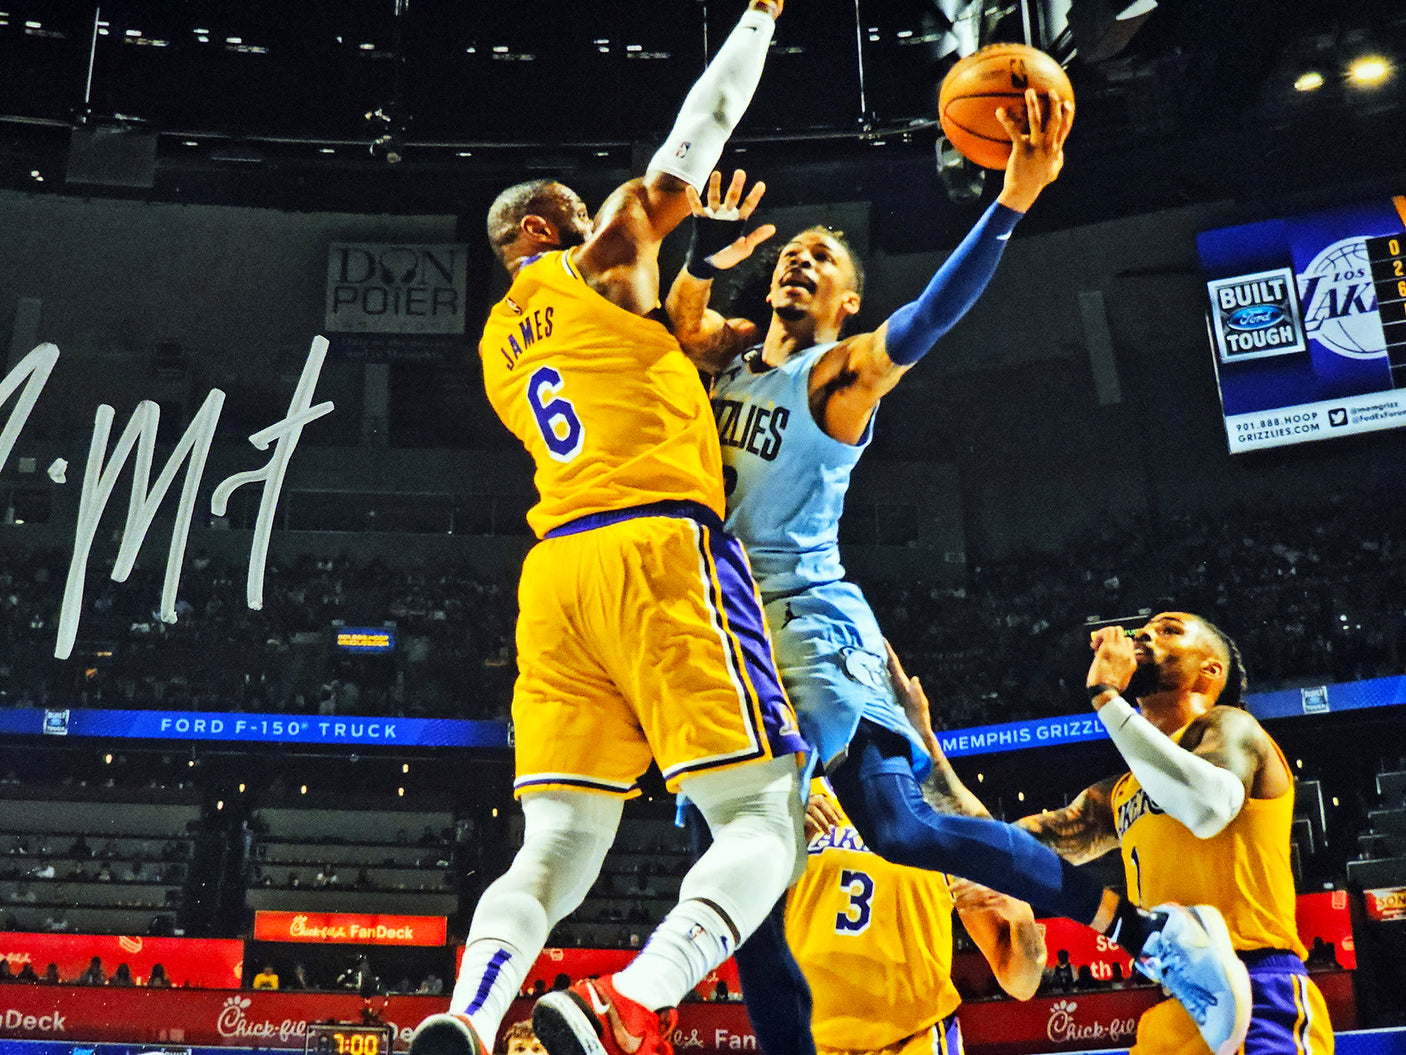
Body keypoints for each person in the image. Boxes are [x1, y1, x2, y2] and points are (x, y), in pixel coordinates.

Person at [666, 97, 1251, 1055]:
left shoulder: (836, 379)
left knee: (898, 830)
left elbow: (929, 318)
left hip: (810, 631)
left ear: (846, 303)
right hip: (719, 650)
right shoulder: (722, 361)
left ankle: (1151, 935)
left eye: (823, 261)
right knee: (743, 910)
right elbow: (671, 324)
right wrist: (702, 253)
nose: (799, 264)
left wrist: (1012, 201)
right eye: (790, 255)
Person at [407, 6, 802, 1055]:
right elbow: (694, 132)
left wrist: (699, 298)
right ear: (540, 231)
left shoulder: (496, 344)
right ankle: (630, 996)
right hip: (657, 552)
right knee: (765, 816)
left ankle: (469, 1013)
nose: (599, 221)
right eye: (576, 215)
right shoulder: (599, 255)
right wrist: (755, 21)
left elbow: (649, 355)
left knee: (558, 845)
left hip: (556, 576)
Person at [1018, 612, 1334, 1055]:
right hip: (1173, 1006)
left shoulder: (1232, 728)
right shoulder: (1119, 793)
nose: (1145, 633)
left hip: (1257, 991)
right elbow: (1008, 843)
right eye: (1145, 628)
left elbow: (1205, 810)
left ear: (1210, 671)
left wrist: (1107, 697)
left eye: (1169, 630)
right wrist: (925, 755)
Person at [788, 766, 1046, 1055]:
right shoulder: (800, 800)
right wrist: (779, 829)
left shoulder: (941, 812)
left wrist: (1023, 918)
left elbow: (1022, 984)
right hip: (812, 1040)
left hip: (917, 1041)